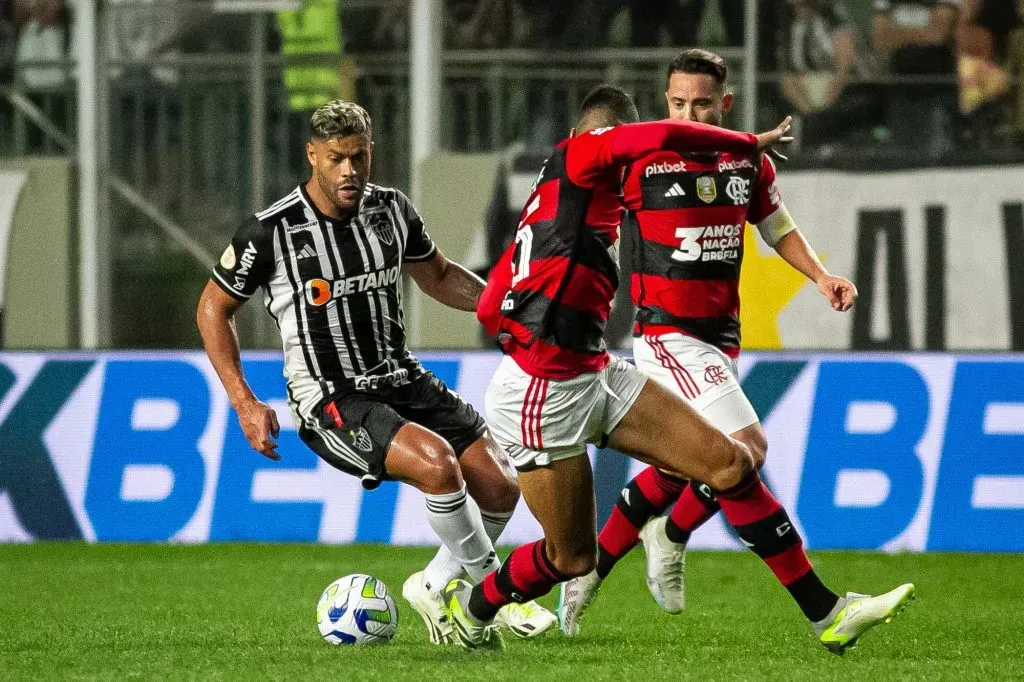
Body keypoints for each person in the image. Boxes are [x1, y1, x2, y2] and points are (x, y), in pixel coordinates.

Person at [442, 83, 915, 654]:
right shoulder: (583, 154)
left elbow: (492, 303)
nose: (633, 158)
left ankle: (830, 615)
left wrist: (523, 327)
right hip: (544, 394)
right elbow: (664, 133)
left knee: (729, 462)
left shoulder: (560, 194)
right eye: (626, 147)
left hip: (593, 371)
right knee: (571, 557)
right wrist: (746, 142)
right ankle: (471, 607)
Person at [557, 48, 901, 650]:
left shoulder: (749, 165)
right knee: (746, 450)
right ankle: (827, 612)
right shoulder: (641, 161)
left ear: (726, 103)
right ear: (666, 103)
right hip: (667, 337)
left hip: (720, 339)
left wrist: (820, 278)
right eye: (678, 103)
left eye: (702, 103)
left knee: (675, 469)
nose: (690, 112)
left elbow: (777, 227)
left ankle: (597, 570)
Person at [196, 100, 555, 645]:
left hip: (400, 377)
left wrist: (503, 310)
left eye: (359, 157)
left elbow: (435, 275)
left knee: (502, 485)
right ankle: (496, 598)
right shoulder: (270, 232)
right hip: (331, 399)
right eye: (336, 158)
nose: (350, 172)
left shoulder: (391, 210)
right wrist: (244, 401)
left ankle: (434, 586)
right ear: (311, 155)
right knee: (438, 466)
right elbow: (211, 309)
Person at [778, 0, 883, 154]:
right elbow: (788, 76)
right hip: (807, 94)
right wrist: (809, 109)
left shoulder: (833, 19)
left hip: (844, 89)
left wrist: (826, 103)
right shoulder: (788, 26)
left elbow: (844, 69)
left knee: (839, 112)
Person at [873, 0, 963, 156]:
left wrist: (898, 33)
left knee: (937, 155)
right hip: (900, 84)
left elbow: (937, 35)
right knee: (903, 156)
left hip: (938, 83)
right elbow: (881, 39)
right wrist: (924, 32)